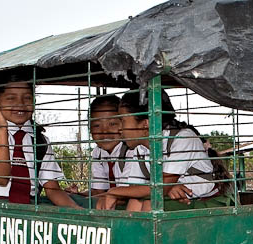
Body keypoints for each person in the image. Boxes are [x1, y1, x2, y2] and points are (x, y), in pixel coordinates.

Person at [97, 90, 226, 211]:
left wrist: (112, 192)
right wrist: (166, 188)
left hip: (207, 202)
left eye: (122, 120)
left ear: (145, 124)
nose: (119, 128)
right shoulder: (140, 149)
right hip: (176, 199)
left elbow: (160, 187)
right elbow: (137, 190)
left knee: (150, 203)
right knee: (138, 200)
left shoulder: (183, 138)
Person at [0, 74, 79, 208]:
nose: (20, 104)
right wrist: (2, 128)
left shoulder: (40, 141)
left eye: (27, 98)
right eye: (11, 99)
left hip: (30, 206)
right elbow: (1, 178)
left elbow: (52, 189)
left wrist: (80, 212)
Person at [87, 94, 127, 197]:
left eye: (112, 124)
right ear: (90, 129)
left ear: (125, 124)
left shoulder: (130, 150)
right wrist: (78, 194)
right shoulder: (98, 152)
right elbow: (99, 191)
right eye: (96, 125)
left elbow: (125, 194)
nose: (104, 132)